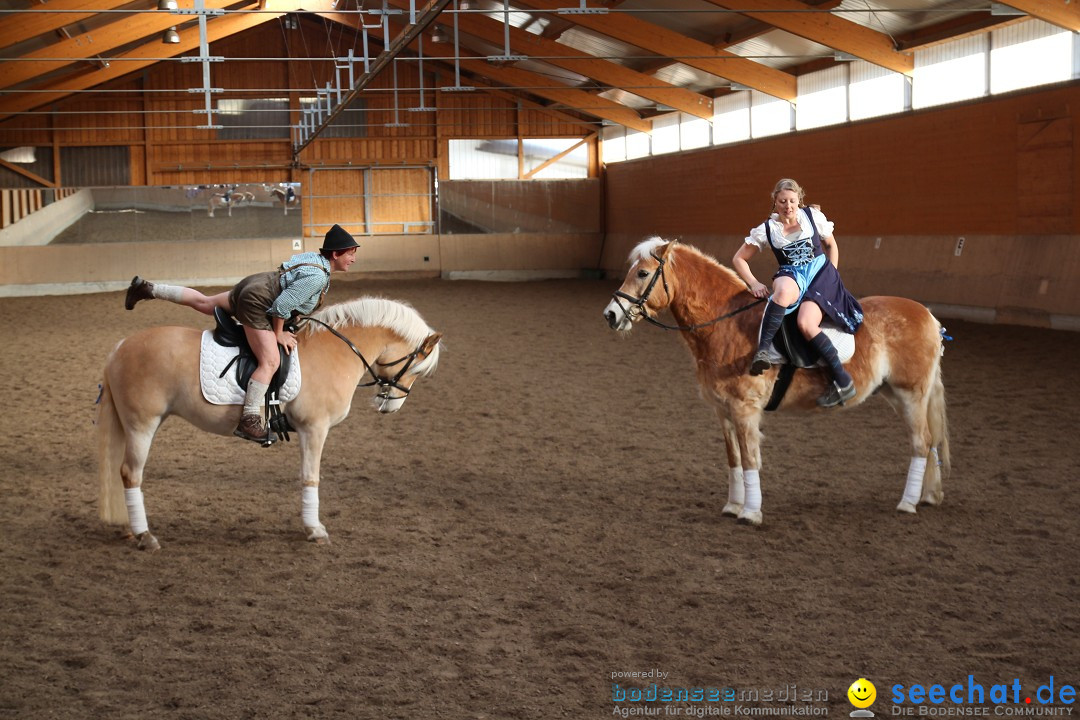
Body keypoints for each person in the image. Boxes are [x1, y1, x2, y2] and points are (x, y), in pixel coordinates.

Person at [124, 224, 360, 441]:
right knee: (270, 361)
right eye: (351, 253)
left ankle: (147, 289)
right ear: (336, 254)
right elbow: (280, 307)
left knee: (205, 303)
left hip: (256, 284)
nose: (354, 259)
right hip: (258, 301)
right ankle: (249, 419)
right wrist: (277, 334)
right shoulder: (318, 276)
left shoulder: (316, 261)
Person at [732, 179, 864, 408]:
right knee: (781, 293)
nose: (788, 206)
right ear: (775, 202)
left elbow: (831, 245)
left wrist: (832, 277)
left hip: (820, 273)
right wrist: (753, 283)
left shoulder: (813, 218)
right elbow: (739, 258)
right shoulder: (768, 229)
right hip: (792, 273)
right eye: (783, 201)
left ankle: (843, 380)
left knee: (806, 323)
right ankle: (762, 351)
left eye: (792, 201)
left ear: (798, 200)